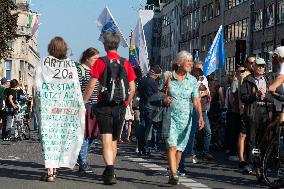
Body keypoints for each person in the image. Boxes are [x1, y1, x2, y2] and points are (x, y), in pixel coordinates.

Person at [83, 32, 136, 185]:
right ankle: (111, 169)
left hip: (104, 105)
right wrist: (126, 103)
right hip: (120, 106)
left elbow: (92, 85)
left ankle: (110, 170)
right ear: (117, 45)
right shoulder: (125, 63)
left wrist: (83, 101)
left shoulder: (101, 62)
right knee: (114, 139)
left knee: (106, 138)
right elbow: (132, 88)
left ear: (105, 45)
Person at [36, 37, 85, 182]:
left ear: (51, 48)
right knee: (60, 138)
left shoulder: (43, 62)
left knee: (49, 139)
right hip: (65, 109)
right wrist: (79, 106)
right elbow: (75, 87)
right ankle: (55, 170)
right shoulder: (70, 65)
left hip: (48, 108)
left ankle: (50, 172)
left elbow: (37, 85)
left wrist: (39, 103)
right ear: (65, 49)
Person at [161, 51, 204, 185]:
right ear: (179, 63)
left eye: (191, 61)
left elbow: (196, 100)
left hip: (186, 119)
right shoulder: (167, 76)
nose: (191, 64)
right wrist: (164, 99)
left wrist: (200, 116)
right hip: (170, 116)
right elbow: (158, 92)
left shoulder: (192, 80)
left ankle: (174, 171)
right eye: (188, 61)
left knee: (180, 148)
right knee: (171, 145)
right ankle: (174, 173)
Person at [240, 57, 270, 174]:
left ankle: (262, 163)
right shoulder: (248, 79)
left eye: (263, 66)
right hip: (253, 111)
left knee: (264, 138)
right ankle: (250, 163)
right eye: (259, 65)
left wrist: (266, 96)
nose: (261, 68)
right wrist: (256, 95)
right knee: (252, 139)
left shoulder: (268, 78)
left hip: (266, 111)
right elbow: (243, 97)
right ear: (254, 67)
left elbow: (273, 95)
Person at [77, 47, 100, 173]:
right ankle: (83, 161)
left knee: (93, 135)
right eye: (94, 58)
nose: (97, 61)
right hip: (84, 106)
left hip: (95, 106)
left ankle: (80, 157)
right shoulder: (80, 70)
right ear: (87, 58)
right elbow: (77, 88)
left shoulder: (95, 71)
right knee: (85, 135)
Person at [137, 65, 162, 156]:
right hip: (151, 107)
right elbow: (156, 95)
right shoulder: (153, 82)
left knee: (142, 127)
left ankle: (140, 148)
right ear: (156, 74)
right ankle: (147, 148)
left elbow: (138, 92)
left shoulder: (142, 80)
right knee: (149, 129)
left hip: (142, 105)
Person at [238, 55, 256, 170]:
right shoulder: (244, 76)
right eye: (250, 62)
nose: (253, 64)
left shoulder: (257, 76)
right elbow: (241, 93)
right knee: (243, 135)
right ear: (246, 63)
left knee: (251, 135)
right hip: (245, 108)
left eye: (254, 62)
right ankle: (242, 159)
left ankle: (251, 158)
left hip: (255, 109)